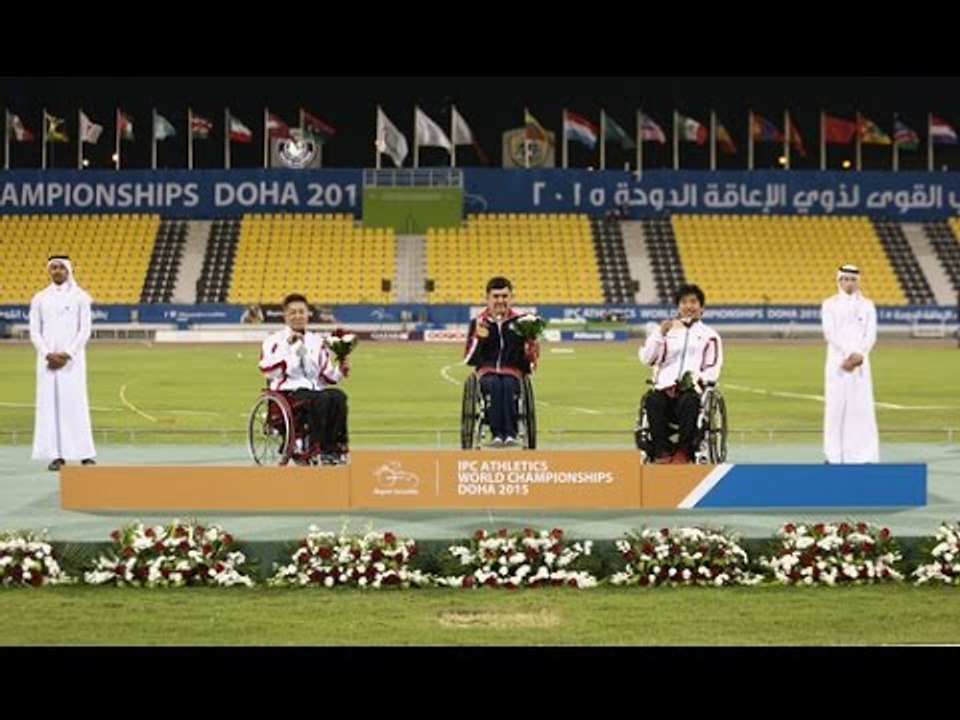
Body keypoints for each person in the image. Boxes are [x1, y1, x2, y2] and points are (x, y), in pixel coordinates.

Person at [258, 293, 349, 465]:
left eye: (301, 312)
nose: (297, 316)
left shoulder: (316, 341)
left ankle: (334, 449)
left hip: (313, 390)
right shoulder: (274, 341)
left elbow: (327, 375)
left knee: (338, 397)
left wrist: (341, 369)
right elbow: (266, 369)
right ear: (285, 315)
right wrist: (289, 349)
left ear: (308, 314)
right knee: (321, 398)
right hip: (288, 392)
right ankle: (316, 446)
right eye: (293, 312)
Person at [638, 283, 723, 464]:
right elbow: (647, 358)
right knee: (653, 400)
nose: (689, 306)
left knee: (689, 401)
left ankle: (684, 451)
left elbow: (713, 365)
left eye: (693, 302)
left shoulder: (710, 335)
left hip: (692, 390)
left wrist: (702, 381)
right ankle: (661, 450)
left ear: (702, 308)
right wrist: (660, 333)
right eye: (684, 302)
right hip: (665, 387)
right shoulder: (666, 331)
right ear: (678, 307)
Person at [29, 256, 97, 471]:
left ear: (68, 270)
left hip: (73, 363)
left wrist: (67, 354)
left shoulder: (81, 297)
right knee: (50, 407)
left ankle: (85, 453)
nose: (57, 271)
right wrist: (48, 354)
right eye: (53, 268)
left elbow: (85, 330)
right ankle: (56, 455)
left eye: (60, 267)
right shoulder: (39, 298)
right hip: (47, 363)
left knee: (76, 405)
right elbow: (34, 331)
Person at [463, 276, 538, 447]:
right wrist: (479, 339)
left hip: (512, 371)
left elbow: (531, 360)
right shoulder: (478, 322)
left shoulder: (522, 322)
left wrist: (531, 343)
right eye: (496, 297)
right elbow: (469, 358)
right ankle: (497, 434)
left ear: (511, 297)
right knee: (496, 384)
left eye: (504, 296)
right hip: (487, 371)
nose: (500, 301)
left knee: (508, 384)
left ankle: (510, 434)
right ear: (487, 298)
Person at [821, 264, 879, 463]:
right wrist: (848, 355)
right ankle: (833, 456)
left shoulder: (868, 305)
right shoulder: (829, 304)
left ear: (858, 281)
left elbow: (870, 335)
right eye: (845, 279)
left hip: (861, 365)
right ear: (839, 281)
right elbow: (830, 333)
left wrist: (859, 355)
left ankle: (863, 456)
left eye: (853, 279)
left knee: (861, 410)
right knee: (835, 410)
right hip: (838, 364)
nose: (849, 283)